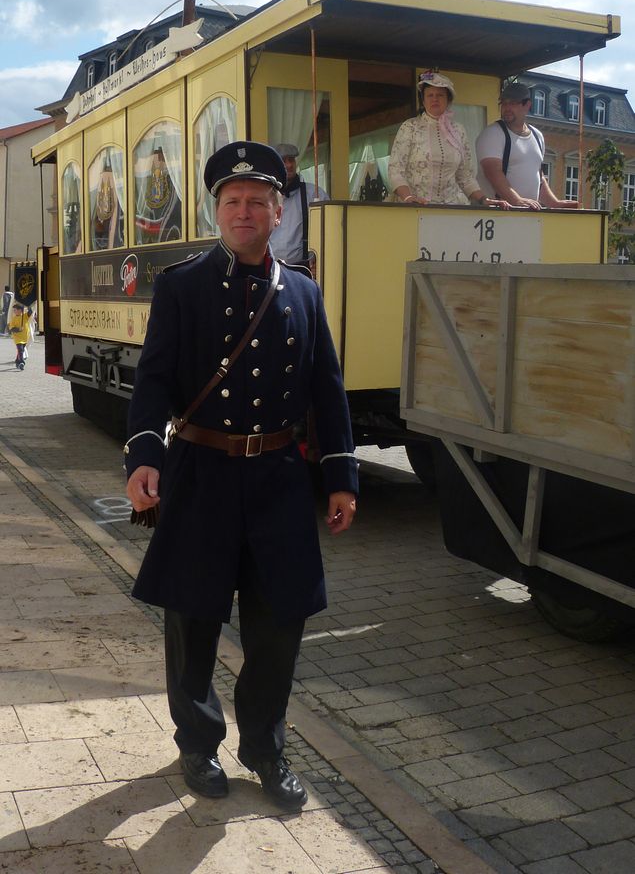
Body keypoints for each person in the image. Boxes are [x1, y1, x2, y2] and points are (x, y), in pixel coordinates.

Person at [125, 140, 358, 810]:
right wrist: (145, 456)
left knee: (278, 627)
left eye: (258, 200)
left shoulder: (305, 294)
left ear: (278, 212)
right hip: (200, 477)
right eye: (233, 201)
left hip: (279, 483)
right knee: (192, 619)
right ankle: (197, 744)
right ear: (217, 211)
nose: (245, 211)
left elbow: (327, 391)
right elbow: (154, 381)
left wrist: (341, 476)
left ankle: (264, 749)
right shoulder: (180, 285)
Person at [388, 71, 499, 206]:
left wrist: (483, 199)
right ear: (423, 101)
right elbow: (396, 170)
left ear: (448, 100)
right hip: (415, 207)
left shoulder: (458, 130)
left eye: (440, 95)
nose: (435, 99)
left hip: (451, 208)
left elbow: (465, 176)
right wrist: (408, 197)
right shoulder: (410, 127)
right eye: (430, 95)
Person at [476, 81, 579, 210]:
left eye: (513, 103)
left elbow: (538, 176)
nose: (507, 108)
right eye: (504, 103)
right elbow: (492, 173)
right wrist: (517, 201)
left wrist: (554, 203)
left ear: (527, 105)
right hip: (498, 214)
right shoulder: (492, 133)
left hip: (528, 215)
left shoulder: (537, 136)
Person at [268, 142, 327, 264]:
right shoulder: (265, 196)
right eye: (284, 161)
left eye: (291, 160)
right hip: (272, 269)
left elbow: (328, 231)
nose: (289, 165)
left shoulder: (314, 194)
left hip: (304, 269)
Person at [7, 303, 33, 369]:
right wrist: (18, 329)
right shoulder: (14, 319)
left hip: (25, 337)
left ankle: (17, 361)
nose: (14, 311)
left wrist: (28, 304)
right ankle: (22, 362)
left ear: (20, 310)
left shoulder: (25, 316)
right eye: (14, 310)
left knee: (21, 350)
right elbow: (11, 328)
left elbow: (30, 312)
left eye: (15, 310)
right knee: (20, 349)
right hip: (17, 338)